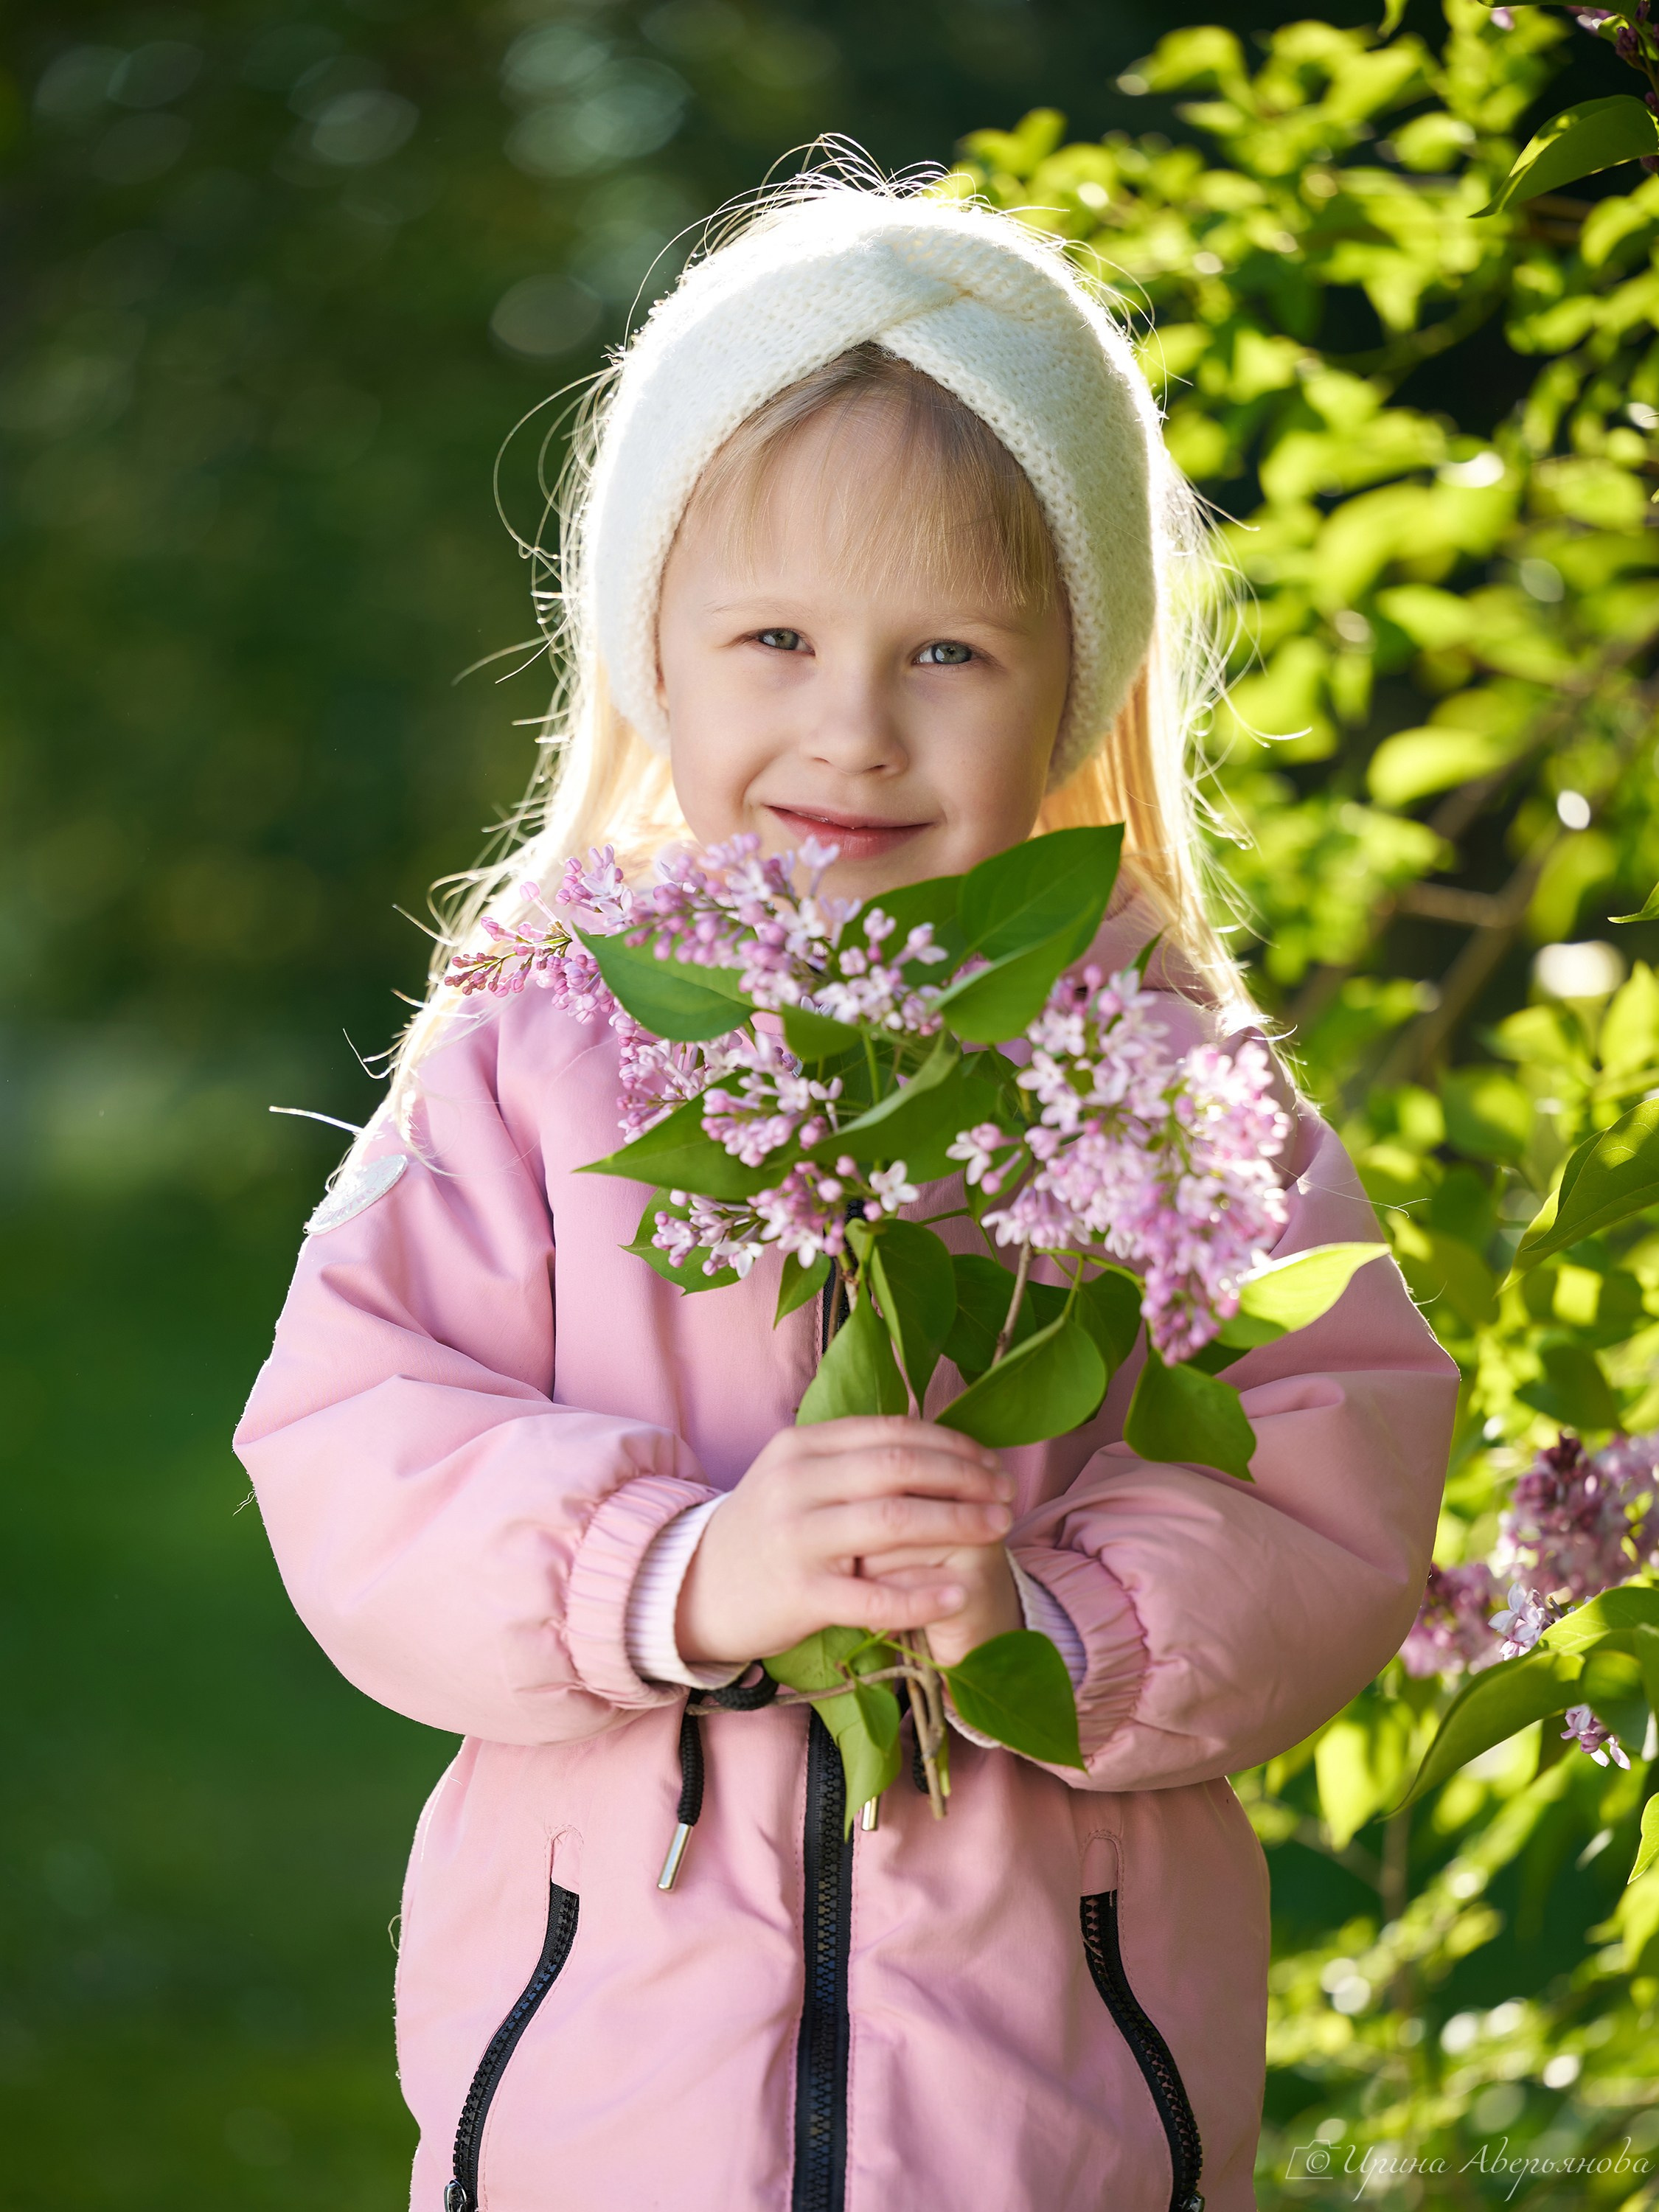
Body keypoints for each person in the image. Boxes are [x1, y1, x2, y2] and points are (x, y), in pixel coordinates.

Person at [234, 177, 1458, 2212]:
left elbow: (1333, 1459)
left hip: (1048, 2099)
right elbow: (358, 1436)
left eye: (949, 651)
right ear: (655, 651)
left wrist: (1048, 1621)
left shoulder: (1150, 1073)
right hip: (608, 2100)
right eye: (777, 639)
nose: (854, 730)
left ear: (1073, 683)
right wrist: (679, 1573)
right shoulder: (544, 1046)